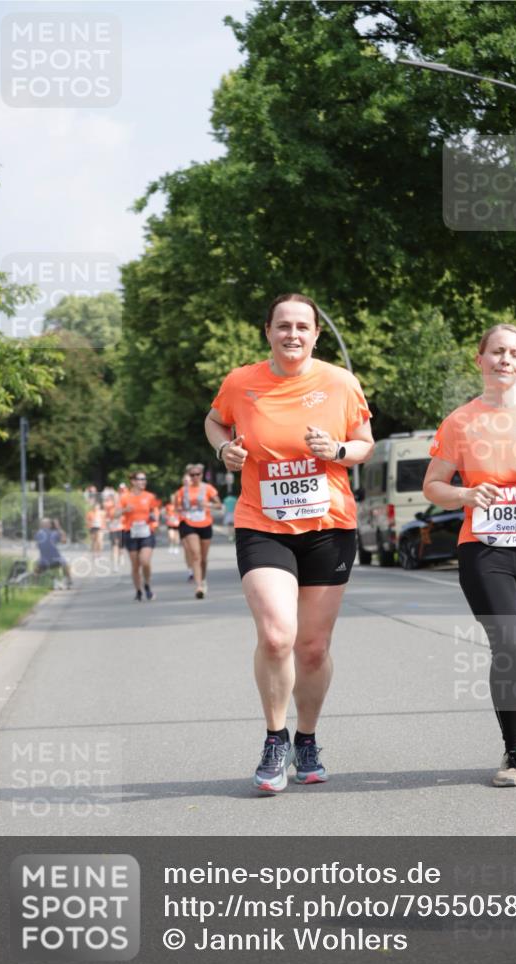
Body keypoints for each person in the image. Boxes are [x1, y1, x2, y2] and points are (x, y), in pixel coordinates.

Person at [205, 292, 374, 794]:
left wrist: (339, 450)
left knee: (314, 648)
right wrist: (224, 448)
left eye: (303, 326)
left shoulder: (340, 382)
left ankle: (307, 738)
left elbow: (365, 443)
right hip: (263, 523)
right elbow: (215, 420)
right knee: (278, 636)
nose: (293, 334)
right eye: (283, 326)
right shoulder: (241, 382)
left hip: (329, 526)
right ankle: (275, 738)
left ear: (317, 334)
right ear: (268, 331)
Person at [423, 322, 516, 787]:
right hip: (484, 549)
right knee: (508, 647)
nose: (504, 360)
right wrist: (466, 496)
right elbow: (433, 486)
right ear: (481, 360)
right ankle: (515, 756)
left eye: (513, 353)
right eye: (496, 352)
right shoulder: (460, 421)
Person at [174, 464, 223, 598]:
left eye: (197, 474)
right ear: (189, 476)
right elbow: (176, 507)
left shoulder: (208, 488)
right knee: (195, 555)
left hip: (205, 523)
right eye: (192, 475)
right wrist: (180, 510)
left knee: (203, 558)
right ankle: (198, 586)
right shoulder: (182, 491)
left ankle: (203, 579)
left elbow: (219, 505)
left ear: (202, 475)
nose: (195, 477)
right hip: (189, 523)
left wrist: (208, 505)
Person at [119, 471, 159, 601]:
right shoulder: (125, 497)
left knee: (145, 561)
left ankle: (147, 584)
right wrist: (125, 510)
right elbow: (114, 513)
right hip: (130, 532)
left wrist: (154, 520)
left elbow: (155, 511)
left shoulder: (149, 496)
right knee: (135, 565)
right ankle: (138, 590)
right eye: (140, 479)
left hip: (146, 532)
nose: (143, 482)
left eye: (144, 479)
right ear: (133, 481)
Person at [34, 518, 72, 587]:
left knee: (36, 568)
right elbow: (64, 541)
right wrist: (58, 527)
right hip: (56, 561)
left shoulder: (37, 534)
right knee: (66, 565)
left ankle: (35, 584)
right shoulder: (54, 533)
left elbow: (37, 545)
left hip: (43, 562)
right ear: (49, 525)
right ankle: (69, 580)